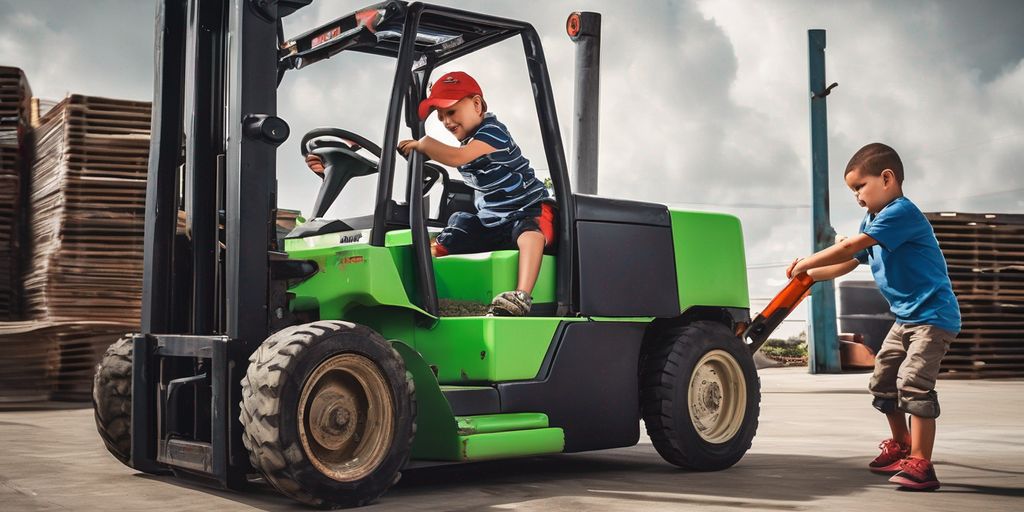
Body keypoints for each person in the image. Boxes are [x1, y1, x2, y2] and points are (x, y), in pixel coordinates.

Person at [786, 142, 960, 491]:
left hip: (933, 317)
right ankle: (901, 446)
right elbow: (851, 261)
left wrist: (808, 260)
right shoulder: (874, 219)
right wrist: (808, 277)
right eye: (852, 190)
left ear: (887, 178)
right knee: (882, 382)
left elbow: (850, 246)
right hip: (906, 319)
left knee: (913, 384)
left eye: (859, 186)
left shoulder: (902, 213)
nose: (857, 196)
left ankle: (922, 465)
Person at [306, 71, 552, 316]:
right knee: (455, 231)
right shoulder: (467, 140)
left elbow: (456, 158)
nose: (446, 121)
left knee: (529, 232)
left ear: (477, 104)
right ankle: (427, 291)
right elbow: (429, 152)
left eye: (452, 112)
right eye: (441, 116)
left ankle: (521, 297)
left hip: (528, 208)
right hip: (492, 221)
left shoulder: (493, 131)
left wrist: (424, 145)